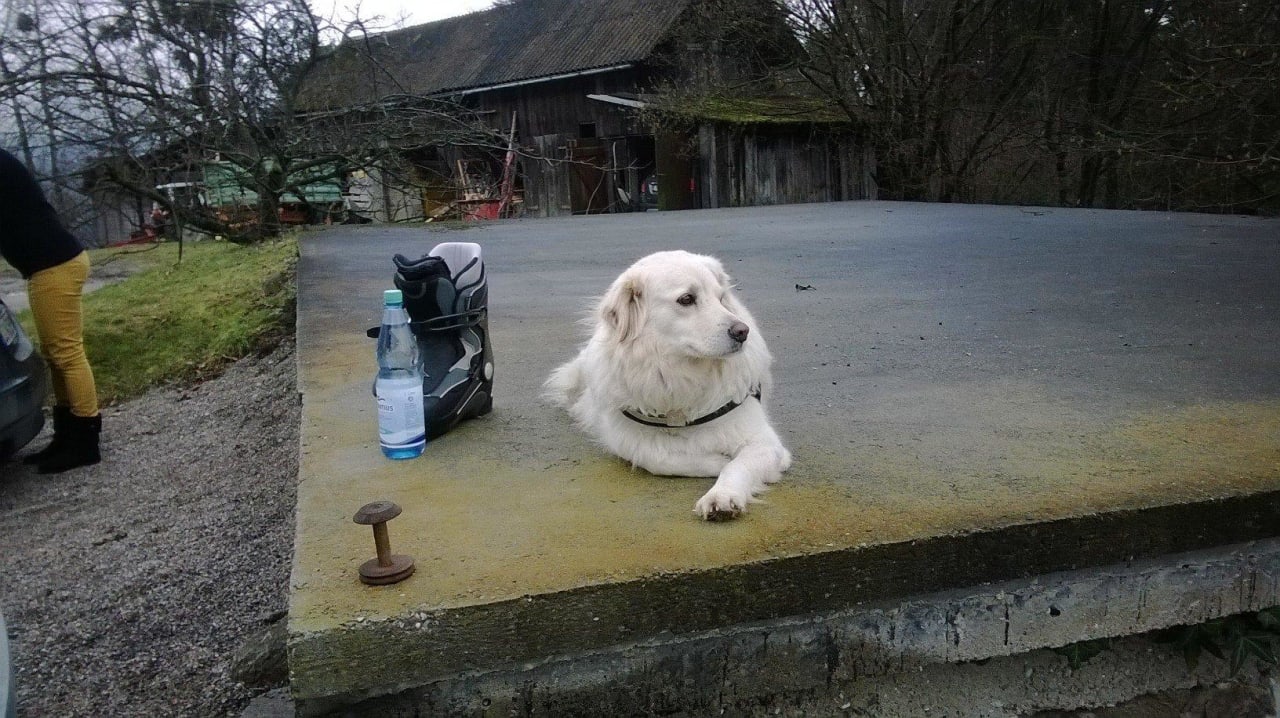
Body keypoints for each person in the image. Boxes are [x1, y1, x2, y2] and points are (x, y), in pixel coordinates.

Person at [0, 148, 102, 473]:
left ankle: (85, 441)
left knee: (66, 353)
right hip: (51, 263)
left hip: (53, 265)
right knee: (56, 353)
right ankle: (67, 435)